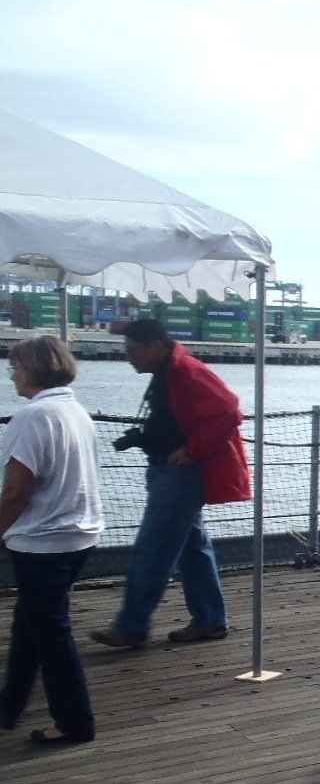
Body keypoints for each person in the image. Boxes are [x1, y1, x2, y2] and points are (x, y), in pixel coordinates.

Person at [91, 319, 249, 650]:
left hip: (180, 474)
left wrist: (191, 451)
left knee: (153, 548)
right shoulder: (172, 371)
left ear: (156, 346)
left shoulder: (186, 371)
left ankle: (132, 625)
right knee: (192, 548)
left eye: (133, 350)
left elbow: (229, 411)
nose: (128, 357)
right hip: (173, 470)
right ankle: (209, 619)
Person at [0, 337, 104, 745]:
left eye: (16, 367)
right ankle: (9, 706)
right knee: (31, 623)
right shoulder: (75, 411)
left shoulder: (32, 416)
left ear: (32, 370)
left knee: (51, 634)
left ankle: (75, 722)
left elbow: (16, 491)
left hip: (43, 541)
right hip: (80, 534)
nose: (12, 375)